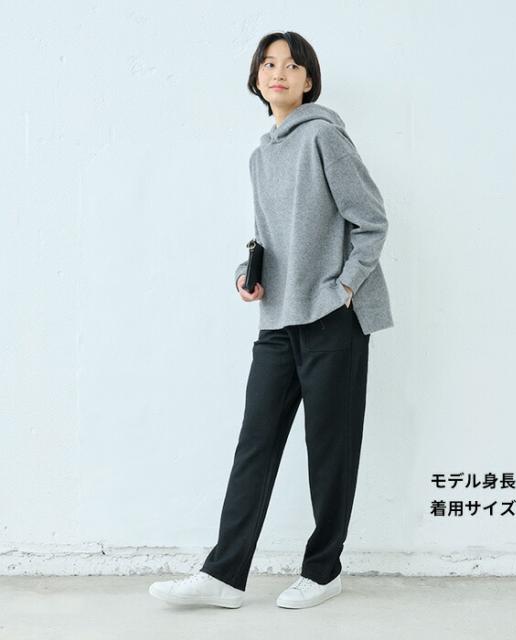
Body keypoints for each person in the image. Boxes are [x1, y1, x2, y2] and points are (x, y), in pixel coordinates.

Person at [149, 30, 393, 610]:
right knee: (254, 446)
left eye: (290, 64)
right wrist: (248, 271)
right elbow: (268, 236)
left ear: (308, 79)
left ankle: (323, 570)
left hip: (333, 319)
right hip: (279, 320)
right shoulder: (261, 156)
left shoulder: (325, 138)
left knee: (329, 451)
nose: (277, 72)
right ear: (257, 79)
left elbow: (372, 221)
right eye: (267, 64)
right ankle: (223, 575)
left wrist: (344, 287)